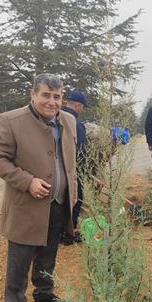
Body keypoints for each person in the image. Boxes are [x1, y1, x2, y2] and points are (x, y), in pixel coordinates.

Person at [0, 74, 77, 302]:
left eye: (57, 96)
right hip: (27, 207)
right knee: (19, 262)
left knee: (48, 255)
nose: (52, 101)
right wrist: (27, 182)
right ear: (32, 94)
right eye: (46, 95)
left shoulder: (69, 120)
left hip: (59, 205)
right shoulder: (10, 121)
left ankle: (44, 294)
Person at [61, 89, 89, 245]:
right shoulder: (76, 125)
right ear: (78, 105)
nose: (82, 110)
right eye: (82, 107)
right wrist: (83, 172)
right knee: (76, 198)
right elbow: (81, 152)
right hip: (72, 170)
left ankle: (58, 232)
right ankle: (69, 234)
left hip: (56, 171)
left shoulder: (54, 117)